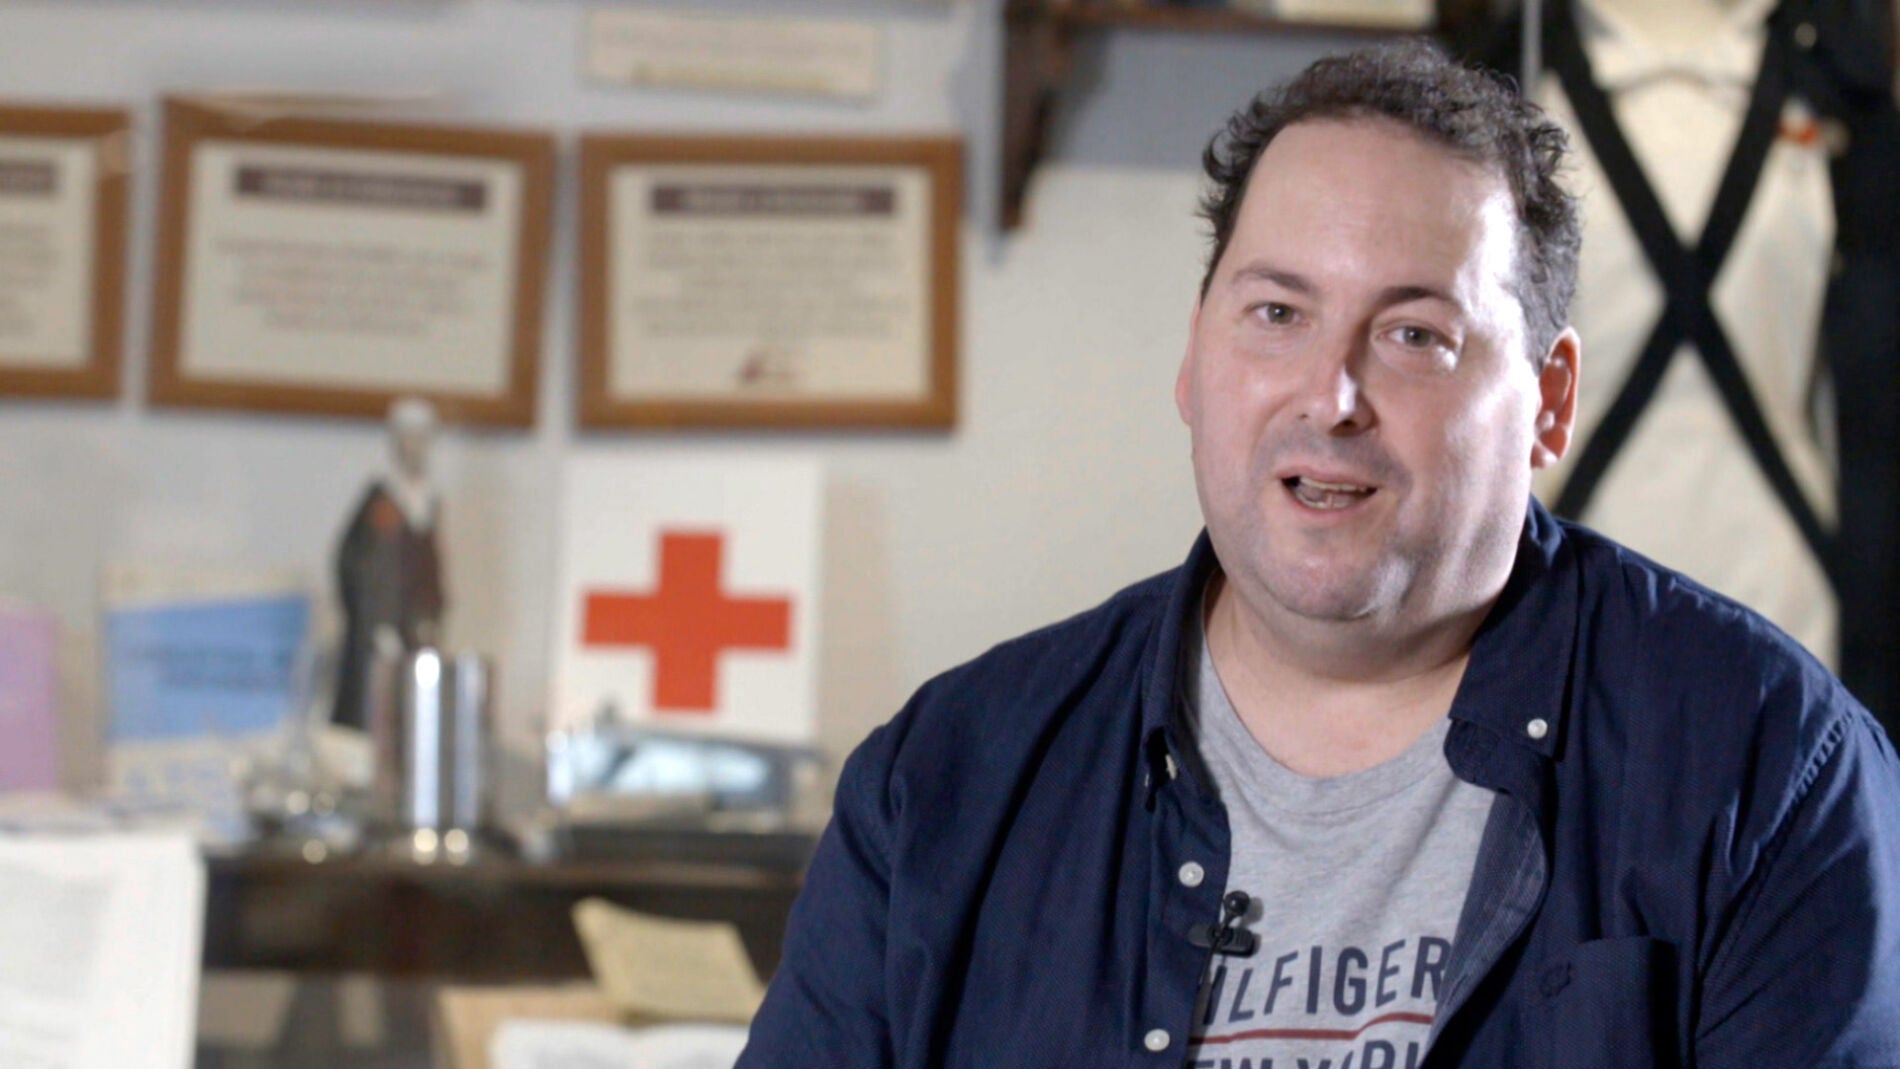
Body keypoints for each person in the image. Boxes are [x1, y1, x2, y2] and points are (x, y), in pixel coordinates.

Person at [737, 42, 1900, 1068]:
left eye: (1413, 334)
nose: (1329, 396)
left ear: (1548, 402)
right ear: (1194, 357)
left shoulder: (1764, 767)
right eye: (1277, 314)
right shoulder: (944, 781)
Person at [330, 397, 447, 730]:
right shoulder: (380, 501)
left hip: (417, 632)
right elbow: (361, 568)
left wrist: (431, 613)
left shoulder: (429, 499)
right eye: (408, 437)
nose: (415, 447)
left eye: (422, 438)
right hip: (381, 634)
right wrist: (379, 624)